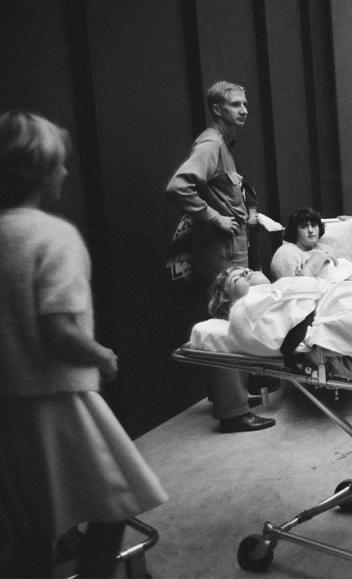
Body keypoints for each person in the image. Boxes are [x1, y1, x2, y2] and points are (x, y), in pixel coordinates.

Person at [0, 111, 168, 577]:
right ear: (41, 169)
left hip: (8, 408)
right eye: (61, 164)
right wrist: (102, 356)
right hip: (58, 400)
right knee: (114, 500)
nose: (67, 173)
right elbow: (59, 331)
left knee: (29, 527)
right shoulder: (54, 237)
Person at [165, 80, 275, 433]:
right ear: (217, 110)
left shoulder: (221, 146)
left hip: (228, 251)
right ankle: (233, 411)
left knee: (229, 321)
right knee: (228, 326)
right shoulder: (211, 144)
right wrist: (213, 217)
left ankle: (228, 396)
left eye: (245, 104)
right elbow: (178, 185)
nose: (244, 110)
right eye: (235, 105)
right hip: (220, 254)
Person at [270, 208, 345, 280]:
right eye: (304, 227)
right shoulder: (285, 252)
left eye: (314, 225)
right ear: (295, 231)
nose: (310, 230)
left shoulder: (327, 249)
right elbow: (288, 288)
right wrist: (312, 266)